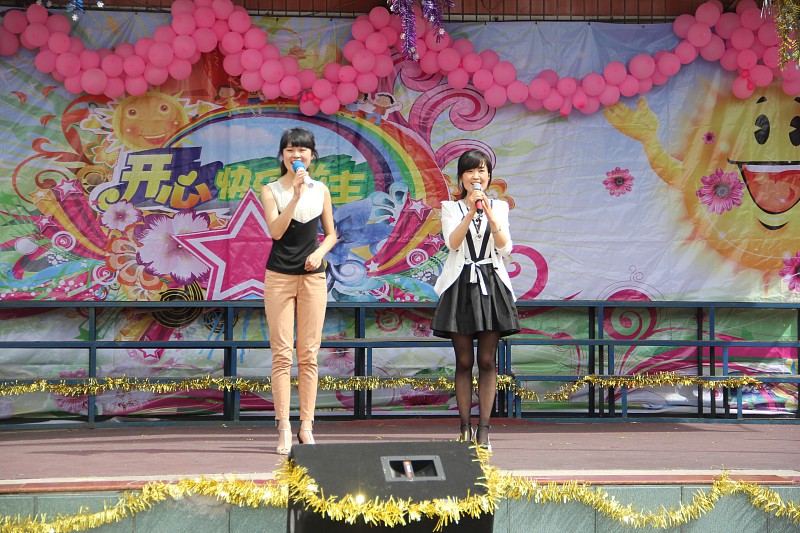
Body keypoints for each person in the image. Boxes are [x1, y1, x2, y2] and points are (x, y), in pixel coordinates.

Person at [431, 149, 520, 449]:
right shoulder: (450, 207)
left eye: (481, 171)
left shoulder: (500, 207)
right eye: (470, 171)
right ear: (461, 178)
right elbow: (452, 243)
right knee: (464, 360)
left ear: (489, 176)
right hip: (460, 285)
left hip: (491, 285)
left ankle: (484, 429)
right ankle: (464, 427)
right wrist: (470, 211)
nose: (476, 176)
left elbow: (505, 248)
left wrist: (489, 213)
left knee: (486, 360)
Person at [261, 128, 337, 455]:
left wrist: (319, 253)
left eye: (303, 150)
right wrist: (294, 195)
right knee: (282, 354)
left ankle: (307, 426)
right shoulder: (270, 190)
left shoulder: (321, 189)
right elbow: (276, 231)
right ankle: (283, 427)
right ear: (282, 155)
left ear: (312, 155)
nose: (297, 155)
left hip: (312, 278)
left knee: (308, 354)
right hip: (279, 277)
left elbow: (331, 234)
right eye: (291, 149)